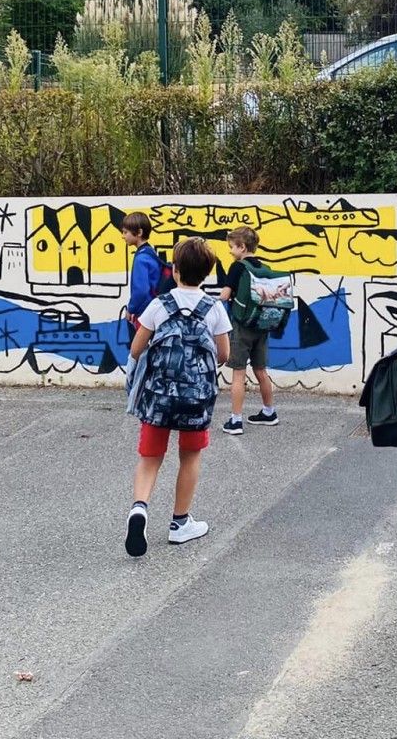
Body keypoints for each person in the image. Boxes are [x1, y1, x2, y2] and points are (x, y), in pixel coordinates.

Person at [124, 238, 230, 557]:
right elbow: (224, 353)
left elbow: (136, 348)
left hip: (158, 396)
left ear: (176, 270)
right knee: (190, 456)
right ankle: (180, 523)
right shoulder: (213, 308)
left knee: (150, 457)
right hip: (195, 398)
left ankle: (139, 508)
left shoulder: (159, 304)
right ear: (208, 272)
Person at [218, 226, 278, 435]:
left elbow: (225, 296)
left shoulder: (238, 268)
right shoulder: (264, 267)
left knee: (238, 373)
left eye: (232, 247)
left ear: (242, 247)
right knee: (260, 370)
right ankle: (269, 411)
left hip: (242, 326)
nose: (230, 251)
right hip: (262, 325)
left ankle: (235, 420)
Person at [121, 211, 163, 339]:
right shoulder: (150, 252)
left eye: (125, 232)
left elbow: (141, 290)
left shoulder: (141, 258)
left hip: (145, 315)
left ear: (139, 233)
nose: (123, 236)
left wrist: (131, 309)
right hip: (155, 312)